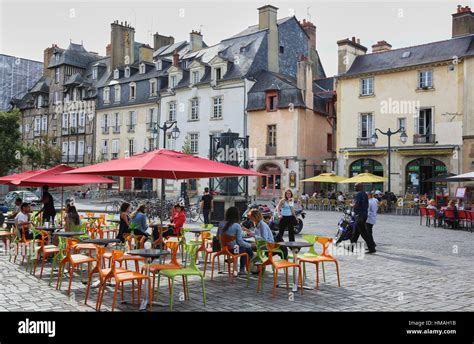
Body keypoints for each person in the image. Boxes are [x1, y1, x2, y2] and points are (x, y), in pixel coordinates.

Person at [217, 207, 254, 276]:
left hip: (223, 249)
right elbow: (240, 242)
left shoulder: (221, 224)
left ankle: (235, 261)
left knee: (245, 244)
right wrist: (250, 245)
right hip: (233, 250)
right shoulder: (237, 226)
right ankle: (243, 268)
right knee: (246, 249)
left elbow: (217, 237)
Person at [350, 183, 376, 253]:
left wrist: (352, 205)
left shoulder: (359, 194)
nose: (355, 188)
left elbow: (357, 204)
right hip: (362, 215)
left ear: (360, 187)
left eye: (356, 186)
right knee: (355, 233)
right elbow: (366, 205)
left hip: (359, 216)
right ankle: (351, 247)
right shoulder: (365, 194)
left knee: (364, 234)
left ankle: (372, 248)